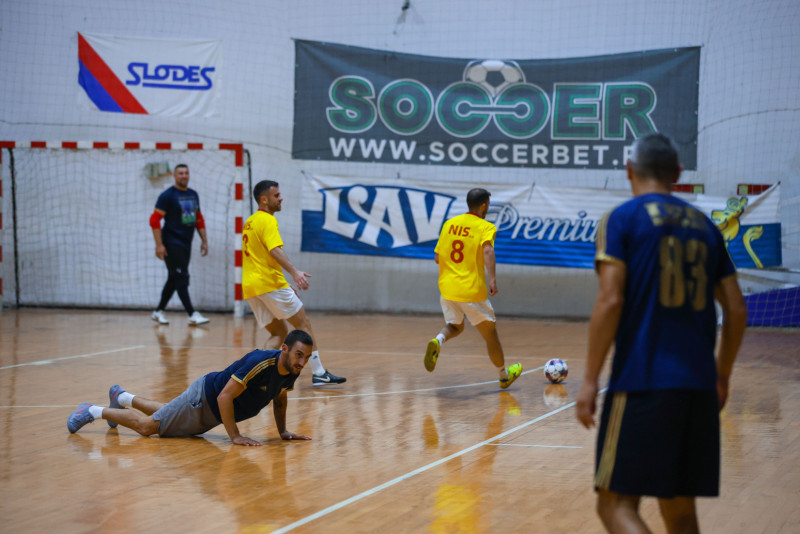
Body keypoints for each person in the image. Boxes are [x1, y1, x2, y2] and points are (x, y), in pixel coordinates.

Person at [575, 133, 748, 534]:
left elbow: (610, 301)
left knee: (614, 505)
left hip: (642, 382)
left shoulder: (622, 218)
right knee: (681, 512)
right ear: (678, 173)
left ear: (629, 170)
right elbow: (737, 309)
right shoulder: (705, 226)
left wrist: (589, 380)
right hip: (699, 387)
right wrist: (721, 376)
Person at [67, 330, 314, 444]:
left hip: (208, 412)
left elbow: (280, 399)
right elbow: (224, 397)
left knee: (165, 412)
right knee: (147, 427)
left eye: (306, 358)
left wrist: (283, 431)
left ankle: (121, 397)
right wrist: (235, 436)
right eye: (299, 355)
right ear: (284, 349)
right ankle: (91, 411)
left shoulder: (291, 370)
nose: (302, 363)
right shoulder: (260, 363)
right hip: (204, 401)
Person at [242, 180, 345, 386]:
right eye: (276, 195)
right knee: (303, 324)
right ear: (264, 199)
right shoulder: (268, 220)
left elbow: (261, 259)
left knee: (278, 333)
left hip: (252, 287)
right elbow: (274, 250)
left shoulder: (250, 221)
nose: (281, 198)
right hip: (268, 284)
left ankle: (259, 376)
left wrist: (284, 283)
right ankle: (319, 373)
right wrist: (294, 272)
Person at [424, 188, 522, 389]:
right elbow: (487, 250)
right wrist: (492, 279)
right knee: (490, 336)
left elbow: (437, 258)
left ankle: (438, 340)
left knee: (455, 326)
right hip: (471, 290)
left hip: (447, 289)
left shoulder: (449, 224)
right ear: (484, 205)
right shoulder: (486, 227)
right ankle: (504, 376)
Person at [149, 163, 210, 326]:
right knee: (182, 277)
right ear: (174, 176)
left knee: (174, 278)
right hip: (171, 242)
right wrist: (159, 245)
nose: (184, 176)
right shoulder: (167, 196)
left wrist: (204, 241)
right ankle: (192, 314)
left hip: (186, 243)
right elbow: (154, 220)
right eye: (180, 173)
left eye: (186, 173)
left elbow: (198, 219)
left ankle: (158, 312)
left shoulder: (193, 195)